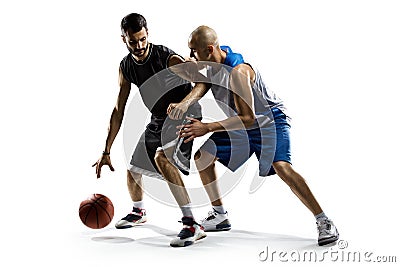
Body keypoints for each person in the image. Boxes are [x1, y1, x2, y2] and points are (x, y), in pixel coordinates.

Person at [167, 25, 339, 246]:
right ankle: (219, 215)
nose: (191, 55)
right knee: (203, 157)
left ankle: (323, 220)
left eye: (194, 51)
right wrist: (184, 104)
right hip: (244, 124)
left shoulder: (237, 73)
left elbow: (248, 118)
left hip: (268, 121)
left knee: (282, 167)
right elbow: (203, 83)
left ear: (209, 49)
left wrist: (208, 127)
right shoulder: (214, 59)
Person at [92, 13, 209, 247]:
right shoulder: (126, 67)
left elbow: (203, 82)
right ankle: (138, 212)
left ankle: (192, 224)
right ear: (123, 39)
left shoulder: (166, 58)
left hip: (186, 114)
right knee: (133, 168)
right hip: (159, 118)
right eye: (133, 41)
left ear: (148, 34)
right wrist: (106, 150)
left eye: (142, 39)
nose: (139, 46)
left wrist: (184, 103)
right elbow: (118, 110)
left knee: (162, 159)